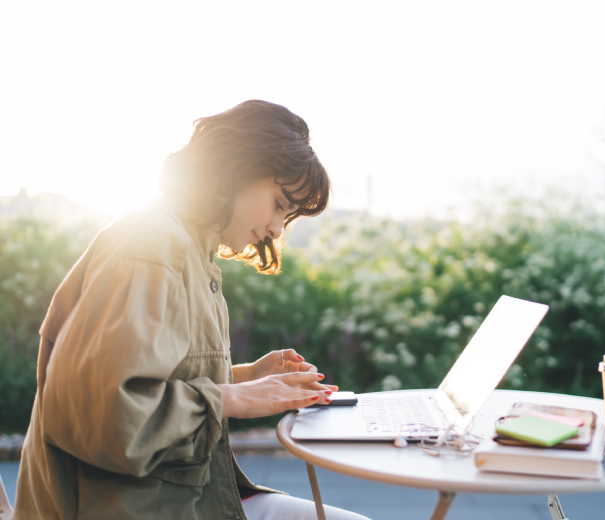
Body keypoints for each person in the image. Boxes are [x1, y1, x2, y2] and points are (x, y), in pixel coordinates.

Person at [14, 100, 370, 520]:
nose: (277, 229)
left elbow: (153, 380)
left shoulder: (189, 249)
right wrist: (234, 398)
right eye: (278, 204)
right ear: (236, 168)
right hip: (118, 505)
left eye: (288, 218)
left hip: (177, 497)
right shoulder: (151, 244)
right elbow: (109, 415)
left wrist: (248, 376)